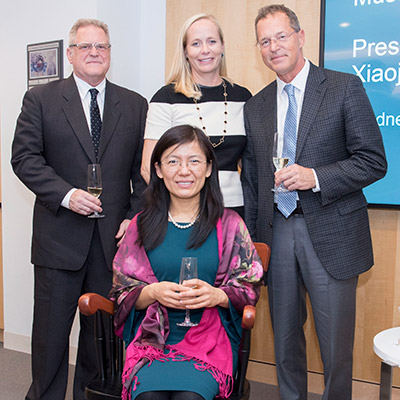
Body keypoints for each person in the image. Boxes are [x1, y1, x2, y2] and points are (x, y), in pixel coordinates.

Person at [241, 4, 387, 400]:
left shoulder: (343, 87)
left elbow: (374, 161)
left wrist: (316, 177)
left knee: (335, 344)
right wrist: (258, 245)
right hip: (278, 230)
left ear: (301, 36)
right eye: (265, 41)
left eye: (281, 36)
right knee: (285, 339)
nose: (274, 47)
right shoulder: (255, 106)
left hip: (332, 231)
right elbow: (253, 180)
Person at [11, 18, 147, 400]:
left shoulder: (134, 105)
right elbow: (24, 159)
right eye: (85, 47)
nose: (94, 53)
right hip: (59, 242)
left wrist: (132, 217)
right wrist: (67, 195)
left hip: (112, 247)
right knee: (51, 340)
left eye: (101, 47)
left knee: (100, 344)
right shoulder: (41, 99)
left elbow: (143, 174)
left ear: (109, 54)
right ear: (70, 54)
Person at [110, 125, 263, 400]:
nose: (184, 171)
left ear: (207, 168)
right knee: (148, 397)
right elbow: (121, 292)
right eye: (173, 161)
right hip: (152, 341)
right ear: (158, 169)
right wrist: (152, 292)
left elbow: (249, 286)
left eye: (194, 161)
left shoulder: (229, 225)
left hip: (210, 339)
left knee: (189, 397)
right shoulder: (140, 225)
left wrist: (217, 295)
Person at [141, 13, 251, 218]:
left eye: (211, 41)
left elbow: (250, 165)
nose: (205, 50)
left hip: (235, 212)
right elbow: (148, 168)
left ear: (222, 46)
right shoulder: (166, 98)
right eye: (196, 43)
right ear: (185, 51)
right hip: (185, 213)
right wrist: (181, 210)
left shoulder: (242, 97)